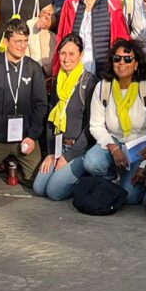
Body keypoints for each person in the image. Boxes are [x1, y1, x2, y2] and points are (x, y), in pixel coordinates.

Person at [0, 20, 48, 192]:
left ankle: (15, 168)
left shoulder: (33, 68)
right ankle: (4, 161)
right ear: (6, 42)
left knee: (39, 185)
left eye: (25, 41)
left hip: (24, 138)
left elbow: (41, 105)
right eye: (18, 41)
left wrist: (32, 136)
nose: (22, 46)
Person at [84, 40, 146, 205]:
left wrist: (145, 164)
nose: (122, 63)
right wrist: (114, 148)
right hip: (114, 141)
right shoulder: (103, 87)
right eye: (117, 59)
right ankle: (113, 177)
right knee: (91, 163)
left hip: (139, 146)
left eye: (128, 59)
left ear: (136, 64)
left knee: (130, 197)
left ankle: (134, 179)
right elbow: (96, 125)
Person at [34, 34, 98, 200]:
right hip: (59, 145)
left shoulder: (89, 82)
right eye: (63, 53)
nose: (66, 58)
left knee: (54, 192)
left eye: (71, 54)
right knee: (39, 188)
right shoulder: (57, 81)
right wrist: (51, 153)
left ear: (81, 55)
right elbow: (51, 117)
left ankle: (83, 178)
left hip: (79, 149)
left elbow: (91, 125)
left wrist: (69, 156)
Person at [54, 0, 129, 77]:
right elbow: (62, 37)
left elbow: (122, 37)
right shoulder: (71, 3)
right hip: (75, 63)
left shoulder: (113, 3)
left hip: (105, 64)